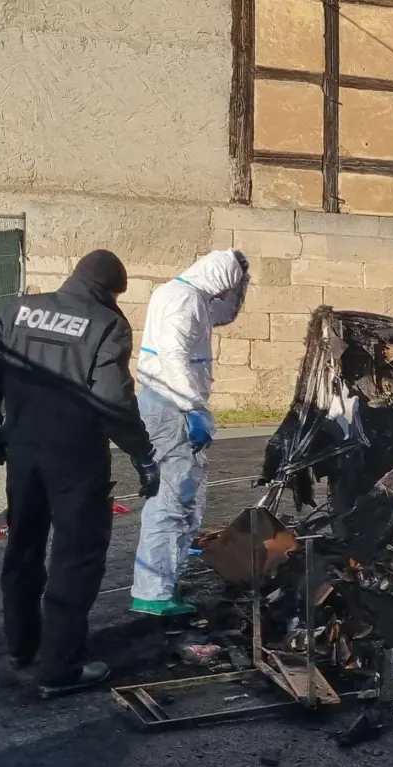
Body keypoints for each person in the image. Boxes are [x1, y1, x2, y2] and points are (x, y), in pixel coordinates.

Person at [0, 249, 161, 698]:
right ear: (112, 291)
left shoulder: (17, 310)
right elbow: (113, 401)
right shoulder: (107, 324)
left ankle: (22, 646)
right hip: (76, 459)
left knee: (23, 546)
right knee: (75, 558)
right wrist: (143, 455)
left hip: (23, 451)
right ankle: (59, 668)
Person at [130, 249, 250, 617]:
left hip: (173, 406)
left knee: (184, 498)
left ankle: (166, 582)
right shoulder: (181, 299)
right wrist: (192, 409)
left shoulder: (189, 295)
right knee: (170, 500)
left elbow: (224, 314)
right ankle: (153, 592)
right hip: (171, 409)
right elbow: (173, 355)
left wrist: (241, 284)